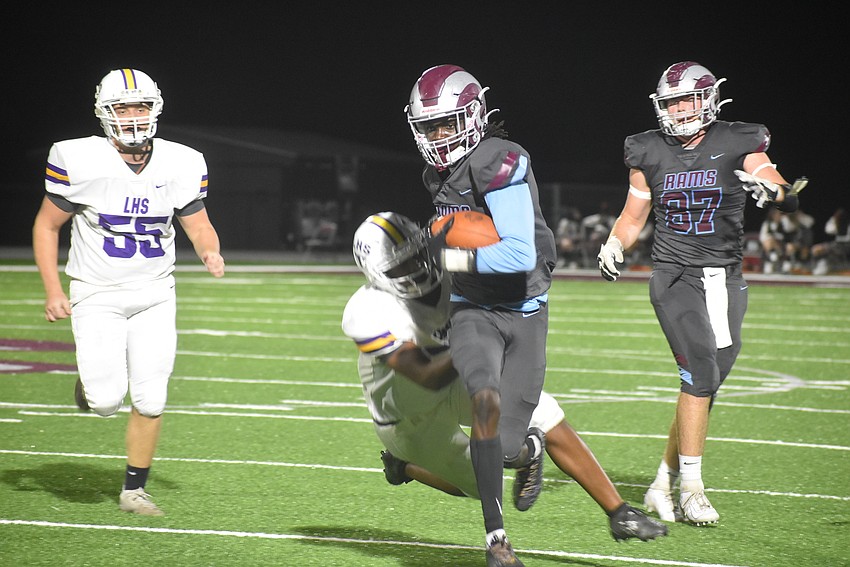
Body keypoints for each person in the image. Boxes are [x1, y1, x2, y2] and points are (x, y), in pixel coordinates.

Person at [341, 212, 666, 546]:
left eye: (418, 255)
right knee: (480, 485)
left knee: (542, 411)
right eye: (401, 265)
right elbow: (426, 375)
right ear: (376, 274)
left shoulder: (452, 271)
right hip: (409, 412)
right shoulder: (368, 311)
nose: (417, 268)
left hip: (456, 378)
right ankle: (405, 465)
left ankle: (620, 513)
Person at [596, 61, 806, 526]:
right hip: (674, 276)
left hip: (725, 278)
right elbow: (633, 217)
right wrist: (615, 243)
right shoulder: (648, 149)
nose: (679, 110)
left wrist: (772, 191)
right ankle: (692, 488)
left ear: (709, 99)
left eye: (687, 100)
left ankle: (662, 482)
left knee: (708, 381)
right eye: (671, 102)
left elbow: (781, 187)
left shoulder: (737, 139)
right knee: (700, 373)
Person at [32, 68, 225, 516]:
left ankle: (134, 490)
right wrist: (52, 289)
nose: (133, 116)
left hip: (155, 291)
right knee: (104, 402)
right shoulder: (78, 158)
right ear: (105, 113)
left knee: (152, 396)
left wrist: (210, 250)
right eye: (123, 108)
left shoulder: (182, 162)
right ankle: (89, 384)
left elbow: (199, 223)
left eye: (141, 107)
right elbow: (46, 225)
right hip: (96, 291)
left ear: (156, 109)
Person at [405, 64, 557, 566]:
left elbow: (518, 254)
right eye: (429, 127)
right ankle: (497, 541)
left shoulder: (499, 159)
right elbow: (455, 235)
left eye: (446, 124)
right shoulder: (436, 174)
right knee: (483, 401)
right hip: (474, 310)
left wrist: (444, 256)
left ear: (474, 115)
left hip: (525, 310)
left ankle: (530, 451)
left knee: (507, 448)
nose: (438, 137)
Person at [811, 208, 849, 275]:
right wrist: (834, 219)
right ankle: (820, 265)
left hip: (847, 245)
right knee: (816, 249)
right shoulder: (837, 222)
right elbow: (829, 230)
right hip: (838, 244)